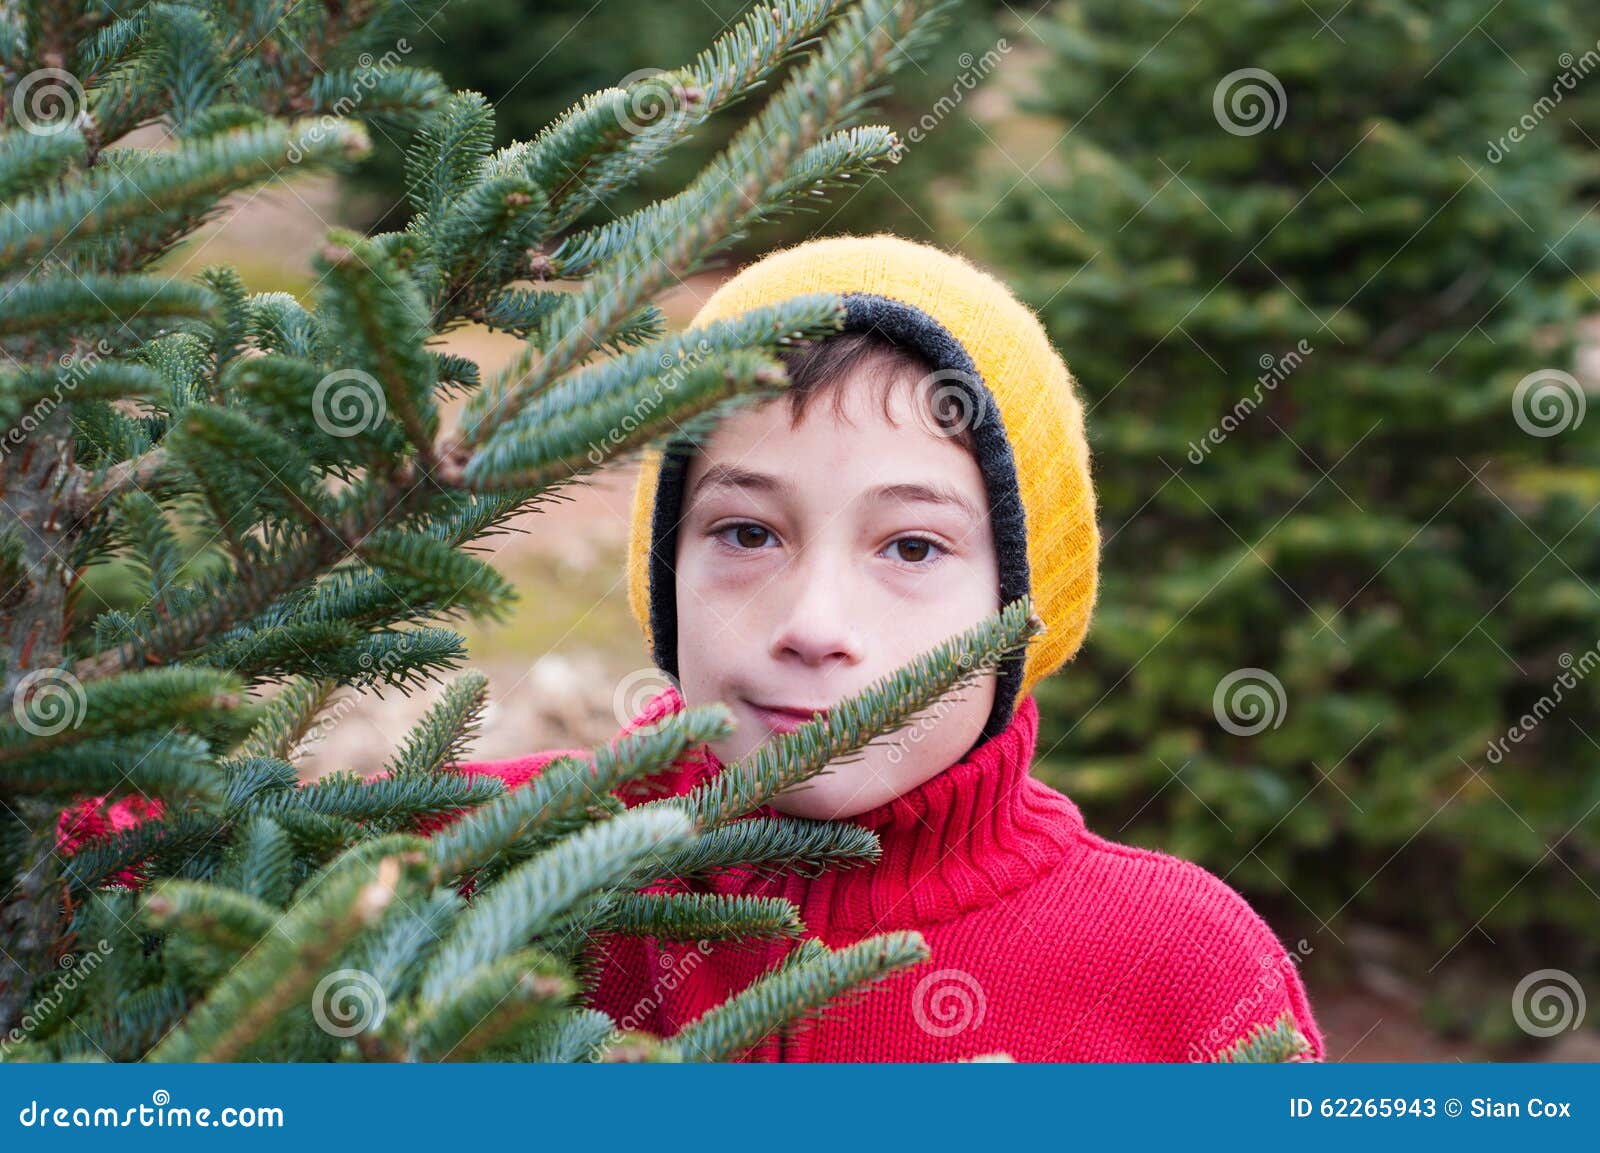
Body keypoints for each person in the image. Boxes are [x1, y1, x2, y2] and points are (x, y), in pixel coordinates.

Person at [454, 233, 1327, 1062]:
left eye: (912, 546)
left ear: (1026, 601)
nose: (815, 625)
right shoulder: (454, 864)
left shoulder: (1181, 972)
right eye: (749, 532)